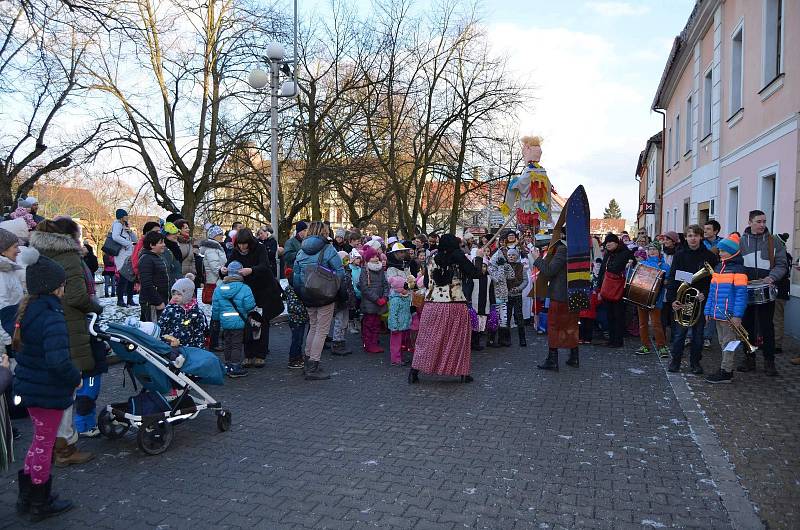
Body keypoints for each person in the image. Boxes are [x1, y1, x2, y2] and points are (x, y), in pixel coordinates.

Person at [12, 256, 79, 521]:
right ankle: (40, 501)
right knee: (44, 444)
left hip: (31, 386)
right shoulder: (52, 316)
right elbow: (58, 360)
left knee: (39, 441)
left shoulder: (29, 309)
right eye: (62, 284)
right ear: (54, 287)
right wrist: (75, 377)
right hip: (46, 390)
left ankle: (27, 495)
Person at [30, 218, 99, 467]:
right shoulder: (68, 257)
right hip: (68, 325)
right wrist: (95, 308)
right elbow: (78, 296)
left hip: (41, 324)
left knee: (51, 388)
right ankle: (65, 447)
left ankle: (49, 443)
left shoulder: (36, 254)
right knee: (69, 386)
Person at [409, 234, 484, 384]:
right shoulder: (459, 258)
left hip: (432, 305)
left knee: (428, 340)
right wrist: (479, 257)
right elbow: (476, 274)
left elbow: (425, 281)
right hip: (454, 304)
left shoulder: (431, 258)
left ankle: (414, 371)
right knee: (458, 340)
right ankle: (462, 373)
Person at [291, 221, 345, 381]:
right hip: (325, 294)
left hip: (307, 294)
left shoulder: (301, 251)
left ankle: (307, 360)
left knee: (313, 327)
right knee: (321, 330)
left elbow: (296, 276)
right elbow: (340, 272)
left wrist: (302, 293)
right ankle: (313, 364)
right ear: (324, 232)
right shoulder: (328, 249)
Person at [737, 210, 787, 376]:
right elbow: (734, 263)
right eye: (758, 221)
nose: (762, 224)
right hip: (745, 288)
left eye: (764, 221)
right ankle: (749, 359)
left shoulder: (774, 242)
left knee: (767, 326)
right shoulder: (740, 242)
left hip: (766, 289)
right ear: (750, 221)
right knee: (747, 325)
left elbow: (782, 265)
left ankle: (769, 361)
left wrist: (772, 277)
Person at [223, 228, 282, 367]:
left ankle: (260, 354)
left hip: (263, 290)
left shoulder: (260, 249)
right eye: (240, 244)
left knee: (262, 321)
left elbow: (265, 267)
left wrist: (251, 270)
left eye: (245, 244)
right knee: (247, 322)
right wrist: (223, 270)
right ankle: (249, 354)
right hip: (245, 292)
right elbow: (228, 267)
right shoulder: (236, 251)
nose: (242, 247)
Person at [665, 224, 718, 374]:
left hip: (700, 300)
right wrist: (673, 299)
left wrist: (705, 294)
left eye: (695, 235)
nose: (692, 238)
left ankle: (695, 363)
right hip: (683, 299)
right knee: (679, 334)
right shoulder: (680, 255)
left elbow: (713, 281)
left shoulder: (709, 256)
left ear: (701, 237)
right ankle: (675, 361)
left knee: (698, 336)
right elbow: (674, 277)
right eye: (689, 236)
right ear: (686, 238)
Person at [703, 234, 749, 383]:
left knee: (729, 342)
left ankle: (726, 371)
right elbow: (712, 291)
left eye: (723, 251)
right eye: (720, 250)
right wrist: (708, 310)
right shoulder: (719, 267)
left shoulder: (739, 270)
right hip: (718, 313)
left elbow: (741, 295)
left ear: (732, 252)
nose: (720, 253)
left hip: (729, 315)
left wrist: (737, 315)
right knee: (723, 342)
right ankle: (725, 369)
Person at [533, 228, 581, 370]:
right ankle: (574, 357)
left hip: (560, 295)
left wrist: (537, 258)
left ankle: (552, 361)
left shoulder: (562, 249)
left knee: (554, 326)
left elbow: (549, 271)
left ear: (562, 235)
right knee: (572, 326)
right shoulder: (580, 248)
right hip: (575, 293)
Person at [212, 261, 256, 378]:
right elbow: (249, 306)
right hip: (239, 322)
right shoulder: (245, 288)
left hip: (225, 322)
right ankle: (235, 366)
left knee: (227, 343)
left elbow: (215, 308)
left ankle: (227, 364)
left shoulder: (219, 288)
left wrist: (216, 320)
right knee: (236, 345)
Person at [597, 234, 633, 348]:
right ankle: (612, 340)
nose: (607, 244)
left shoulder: (625, 253)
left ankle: (618, 340)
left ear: (616, 243)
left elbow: (618, 267)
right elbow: (602, 272)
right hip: (607, 289)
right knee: (610, 315)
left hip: (619, 289)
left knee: (618, 315)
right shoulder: (608, 255)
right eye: (606, 243)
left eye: (610, 242)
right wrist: (599, 288)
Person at [635, 242, 670, 357]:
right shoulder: (642, 263)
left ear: (659, 251)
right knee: (642, 324)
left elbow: (669, 281)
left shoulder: (665, 266)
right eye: (650, 249)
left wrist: (665, 282)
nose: (652, 251)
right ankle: (645, 345)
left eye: (654, 249)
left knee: (656, 324)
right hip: (641, 297)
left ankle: (662, 347)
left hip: (656, 299)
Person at [158, 278, 208, 349]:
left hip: (191, 346)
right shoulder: (170, 309)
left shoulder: (196, 312)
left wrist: (200, 348)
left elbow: (199, 331)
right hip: (172, 346)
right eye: (174, 294)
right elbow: (161, 326)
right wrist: (164, 342)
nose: (175, 297)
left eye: (179, 294)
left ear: (188, 295)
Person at [359, 245, 388, 354]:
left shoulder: (380, 269)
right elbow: (364, 288)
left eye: (377, 256)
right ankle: (368, 344)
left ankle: (375, 343)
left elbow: (385, 284)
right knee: (369, 324)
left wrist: (385, 296)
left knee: (376, 324)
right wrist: (376, 299)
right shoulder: (364, 270)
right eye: (373, 257)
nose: (376, 258)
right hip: (370, 303)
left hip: (380, 301)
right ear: (367, 259)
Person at [137, 231, 170, 323]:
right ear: (152, 245)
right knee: (153, 329)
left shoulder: (156, 257)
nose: (164, 245)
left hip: (160, 299)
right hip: (151, 302)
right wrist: (158, 301)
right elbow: (147, 284)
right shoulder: (146, 259)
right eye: (161, 243)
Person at [465, 258, 496, 349]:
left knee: (481, 324)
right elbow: (469, 290)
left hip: (485, 304)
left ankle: (477, 343)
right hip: (475, 304)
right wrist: (468, 301)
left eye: (484, 266)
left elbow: (491, 292)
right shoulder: (473, 278)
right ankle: (473, 343)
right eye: (481, 266)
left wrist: (492, 303)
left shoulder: (489, 278)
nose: (482, 268)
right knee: (474, 324)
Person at [282, 268, 308, 370]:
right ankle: (293, 359)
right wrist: (304, 308)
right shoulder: (293, 291)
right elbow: (293, 307)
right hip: (296, 319)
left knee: (299, 339)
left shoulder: (290, 290)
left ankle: (298, 357)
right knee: (297, 340)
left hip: (298, 319)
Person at [111, 209, 137, 307]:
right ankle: (120, 300)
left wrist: (130, 231)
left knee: (130, 278)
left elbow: (135, 239)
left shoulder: (124, 226)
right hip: (122, 255)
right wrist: (128, 244)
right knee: (123, 278)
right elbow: (115, 237)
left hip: (129, 255)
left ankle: (130, 299)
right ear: (122, 216)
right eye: (126, 215)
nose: (127, 217)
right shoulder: (117, 224)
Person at [505, 247, 528, 346]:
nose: (511, 257)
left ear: (517, 256)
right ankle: (507, 339)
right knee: (507, 317)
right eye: (509, 255)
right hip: (508, 295)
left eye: (513, 255)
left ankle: (522, 339)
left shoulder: (521, 266)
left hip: (517, 294)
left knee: (519, 316)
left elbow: (525, 280)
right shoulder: (504, 266)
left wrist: (519, 288)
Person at [387, 276, 412, 365]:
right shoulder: (395, 300)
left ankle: (400, 357)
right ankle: (395, 359)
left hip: (403, 325)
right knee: (396, 343)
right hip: (397, 326)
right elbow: (393, 314)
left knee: (401, 343)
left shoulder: (404, 297)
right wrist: (394, 326)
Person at [774, 233, 792, 354]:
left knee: (777, 318)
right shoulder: (787, 255)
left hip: (779, 289)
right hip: (780, 289)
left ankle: (777, 344)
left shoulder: (783, 256)